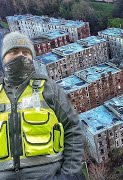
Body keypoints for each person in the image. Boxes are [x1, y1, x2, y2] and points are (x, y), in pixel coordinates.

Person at [0, 31, 84, 179]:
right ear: (3, 58)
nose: (21, 55)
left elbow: (73, 129)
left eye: (26, 52)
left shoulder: (48, 88)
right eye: (14, 51)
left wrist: (69, 176)